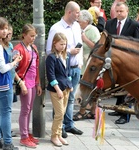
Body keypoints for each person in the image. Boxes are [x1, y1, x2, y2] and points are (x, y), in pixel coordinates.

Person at [46, 1, 83, 138]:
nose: (79, 15)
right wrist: (69, 51)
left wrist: (80, 63)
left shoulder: (77, 26)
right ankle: (58, 128)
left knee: (71, 98)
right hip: (60, 72)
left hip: (74, 68)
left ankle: (69, 124)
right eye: (77, 12)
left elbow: (82, 46)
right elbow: (50, 50)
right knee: (59, 101)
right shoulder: (56, 28)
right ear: (69, 12)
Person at [105, 2, 139, 124]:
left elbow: (138, 43)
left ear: (127, 12)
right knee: (117, 87)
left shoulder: (134, 24)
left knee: (126, 88)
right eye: (117, 11)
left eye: (121, 11)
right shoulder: (110, 23)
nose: (119, 13)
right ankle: (118, 109)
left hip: (127, 62)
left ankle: (125, 116)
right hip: (113, 61)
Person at [14, 24, 42, 148]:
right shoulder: (18, 49)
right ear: (24, 35)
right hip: (24, 82)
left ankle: (27, 133)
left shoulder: (34, 48)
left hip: (33, 82)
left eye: (34, 36)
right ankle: (24, 137)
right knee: (25, 110)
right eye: (31, 36)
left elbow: (36, 67)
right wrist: (21, 83)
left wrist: (38, 84)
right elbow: (12, 68)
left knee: (29, 109)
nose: (33, 38)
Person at [0, 16, 22, 150]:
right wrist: (14, 62)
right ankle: (7, 143)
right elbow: (3, 68)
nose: (4, 31)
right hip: (3, 83)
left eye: (6, 28)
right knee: (6, 112)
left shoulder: (2, 44)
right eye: (1, 29)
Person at [46, 32, 73, 147]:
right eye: (61, 44)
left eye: (65, 44)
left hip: (66, 87)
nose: (63, 46)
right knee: (59, 113)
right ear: (54, 43)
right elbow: (51, 75)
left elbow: (68, 72)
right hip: (57, 89)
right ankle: (54, 135)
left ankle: (59, 134)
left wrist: (70, 84)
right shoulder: (51, 57)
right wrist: (57, 89)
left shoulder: (66, 56)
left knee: (63, 112)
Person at [73, 10, 101, 121]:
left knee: (86, 89)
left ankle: (82, 112)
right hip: (83, 64)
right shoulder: (78, 29)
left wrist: (85, 39)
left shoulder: (93, 30)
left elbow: (98, 47)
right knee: (87, 89)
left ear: (87, 21)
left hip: (90, 66)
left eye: (79, 21)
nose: (78, 23)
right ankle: (92, 112)